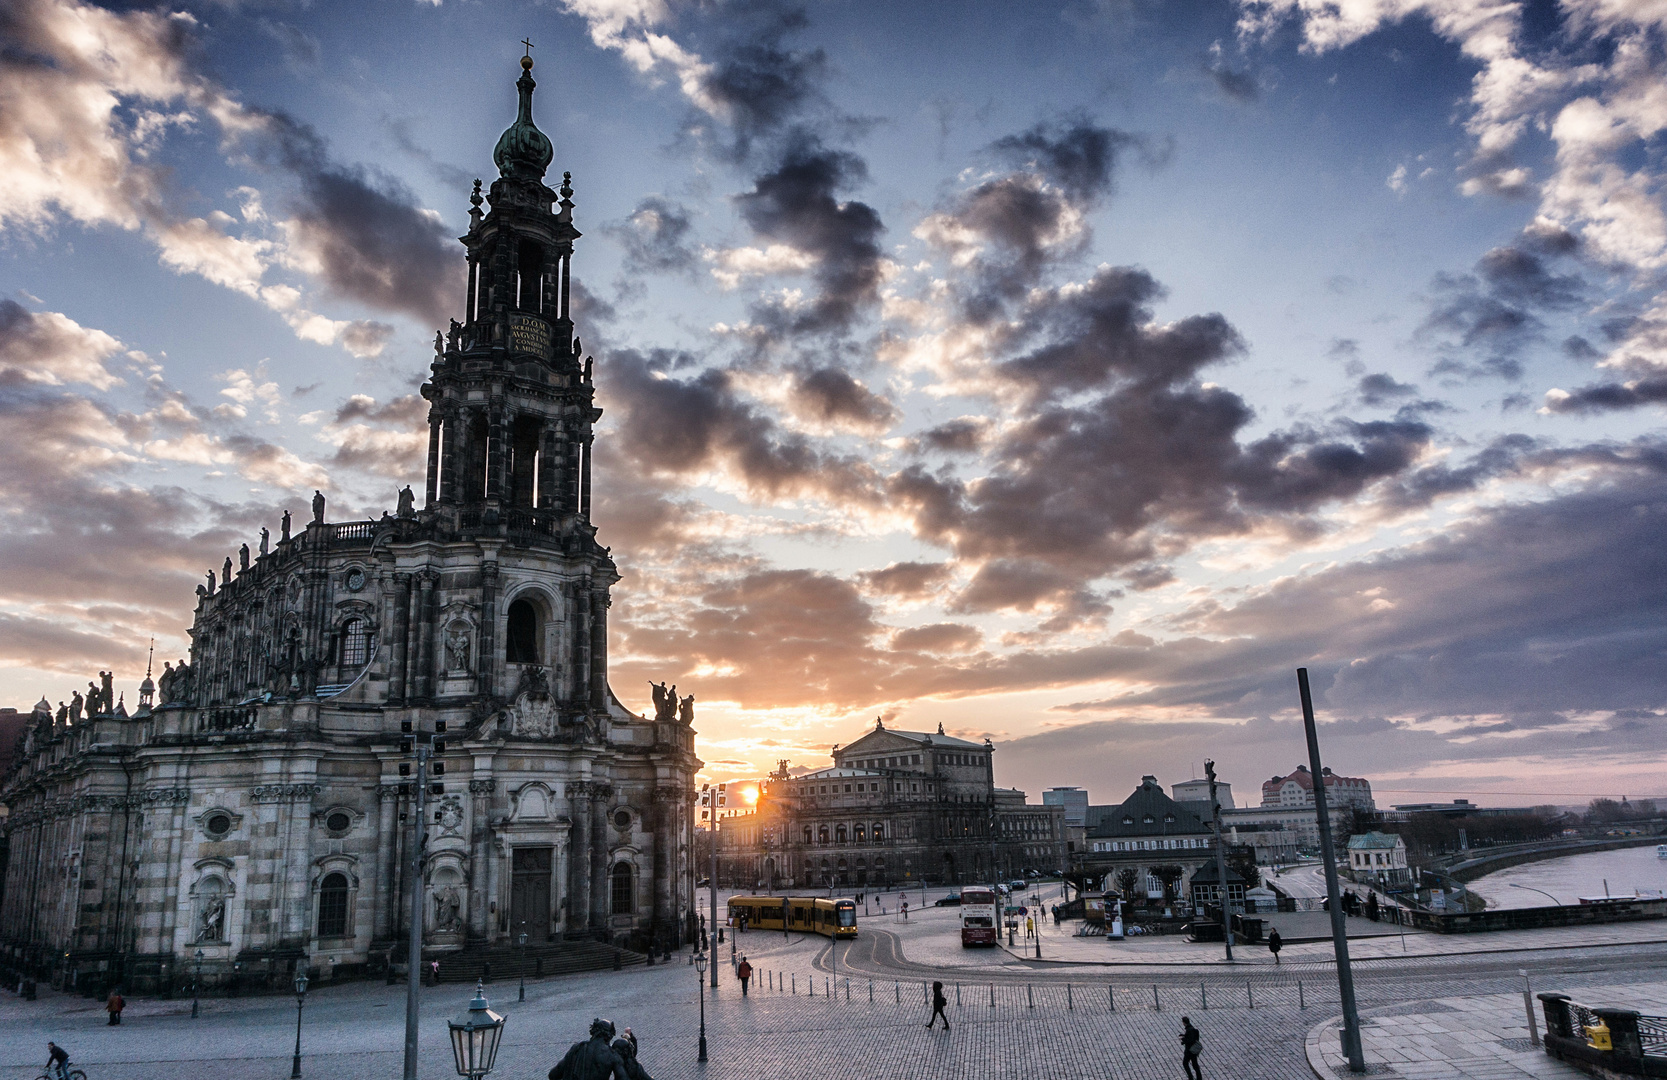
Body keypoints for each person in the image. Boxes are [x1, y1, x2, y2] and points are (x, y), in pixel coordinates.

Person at [549, 1018, 629, 1080]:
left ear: (593, 1032)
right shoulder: (612, 1056)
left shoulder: (576, 1049)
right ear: (609, 1036)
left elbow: (553, 1075)